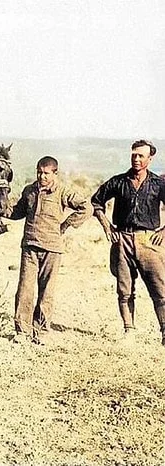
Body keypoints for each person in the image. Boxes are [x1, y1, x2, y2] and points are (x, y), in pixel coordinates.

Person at [9, 156, 91, 344]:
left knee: (47, 291)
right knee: (25, 289)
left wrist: (66, 225)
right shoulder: (29, 191)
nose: (42, 176)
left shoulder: (62, 192)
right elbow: (17, 212)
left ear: (55, 173)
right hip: (29, 246)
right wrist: (1, 209)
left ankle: (42, 331)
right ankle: (22, 331)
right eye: (39, 172)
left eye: (46, 173)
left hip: (52, 249)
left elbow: (86, 208)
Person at [91, 139, 165, 345]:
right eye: (134, 155)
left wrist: (164, 232)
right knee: (124, 290)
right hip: (122, 240)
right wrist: (107, 226)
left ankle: (164, 331)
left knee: (160, 290)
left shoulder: (159, 184)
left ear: (150, 159)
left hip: (149, 241)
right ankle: (128, 330)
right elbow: (96, 201)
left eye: (141, 156)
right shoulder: (118, 181)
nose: (137, 159)